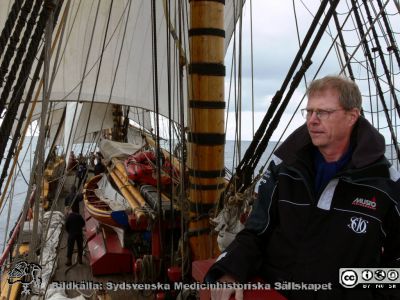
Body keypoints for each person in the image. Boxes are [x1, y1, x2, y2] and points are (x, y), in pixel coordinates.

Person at [206, 76, 400, 300]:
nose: (312, 121)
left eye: (323, 112)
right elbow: (257, 232)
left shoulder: (385, 184)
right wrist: (231, 269)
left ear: (351, 116)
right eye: (309, 112)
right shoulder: (285, 170)